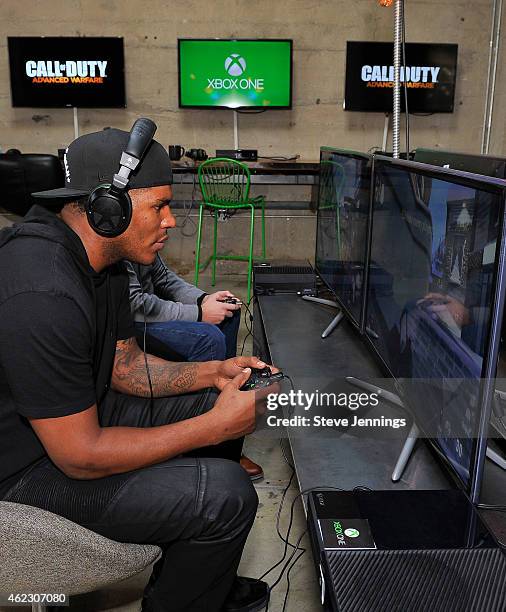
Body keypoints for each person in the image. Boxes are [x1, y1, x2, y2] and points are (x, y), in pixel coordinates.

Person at [0, 123, 271, 612]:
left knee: (218, 402)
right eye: (159, 206)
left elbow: (125, 366)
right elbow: (80, 455)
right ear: (108, 208)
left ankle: (194, 581)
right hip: (22, 474)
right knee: (227, 494)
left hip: (68, 428)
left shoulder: (102, 265)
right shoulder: (43, 290)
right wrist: (211, 428)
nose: (171, 220)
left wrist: (213, 374)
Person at [126, 257, 264, 480]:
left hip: (150, 313)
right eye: (161, 218)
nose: (169, 222)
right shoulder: (119, 242)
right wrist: (199, 313)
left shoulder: (145, 238)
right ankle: (203, 449)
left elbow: (163, 278)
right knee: (208, 338)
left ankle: (225, 439)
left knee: (229, 311)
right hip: (132, 323)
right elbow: (134, 304)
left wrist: (205, 299)